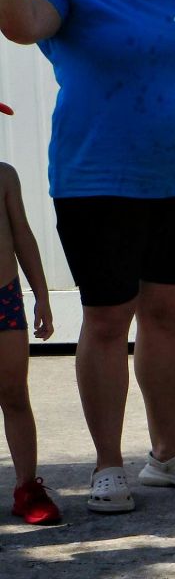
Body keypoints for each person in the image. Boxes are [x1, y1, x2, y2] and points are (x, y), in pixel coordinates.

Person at [1, 0, 175, 513]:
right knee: (108, 320)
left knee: (164, 314)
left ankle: (166, 455)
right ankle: (108, 465)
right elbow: (20, 26)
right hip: (96, 182)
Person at [1, 101, 60, 525]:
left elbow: (22, 235)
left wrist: (41, 294)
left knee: (15, 394)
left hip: (4, 300)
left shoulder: (4, 176)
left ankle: (27, 487)